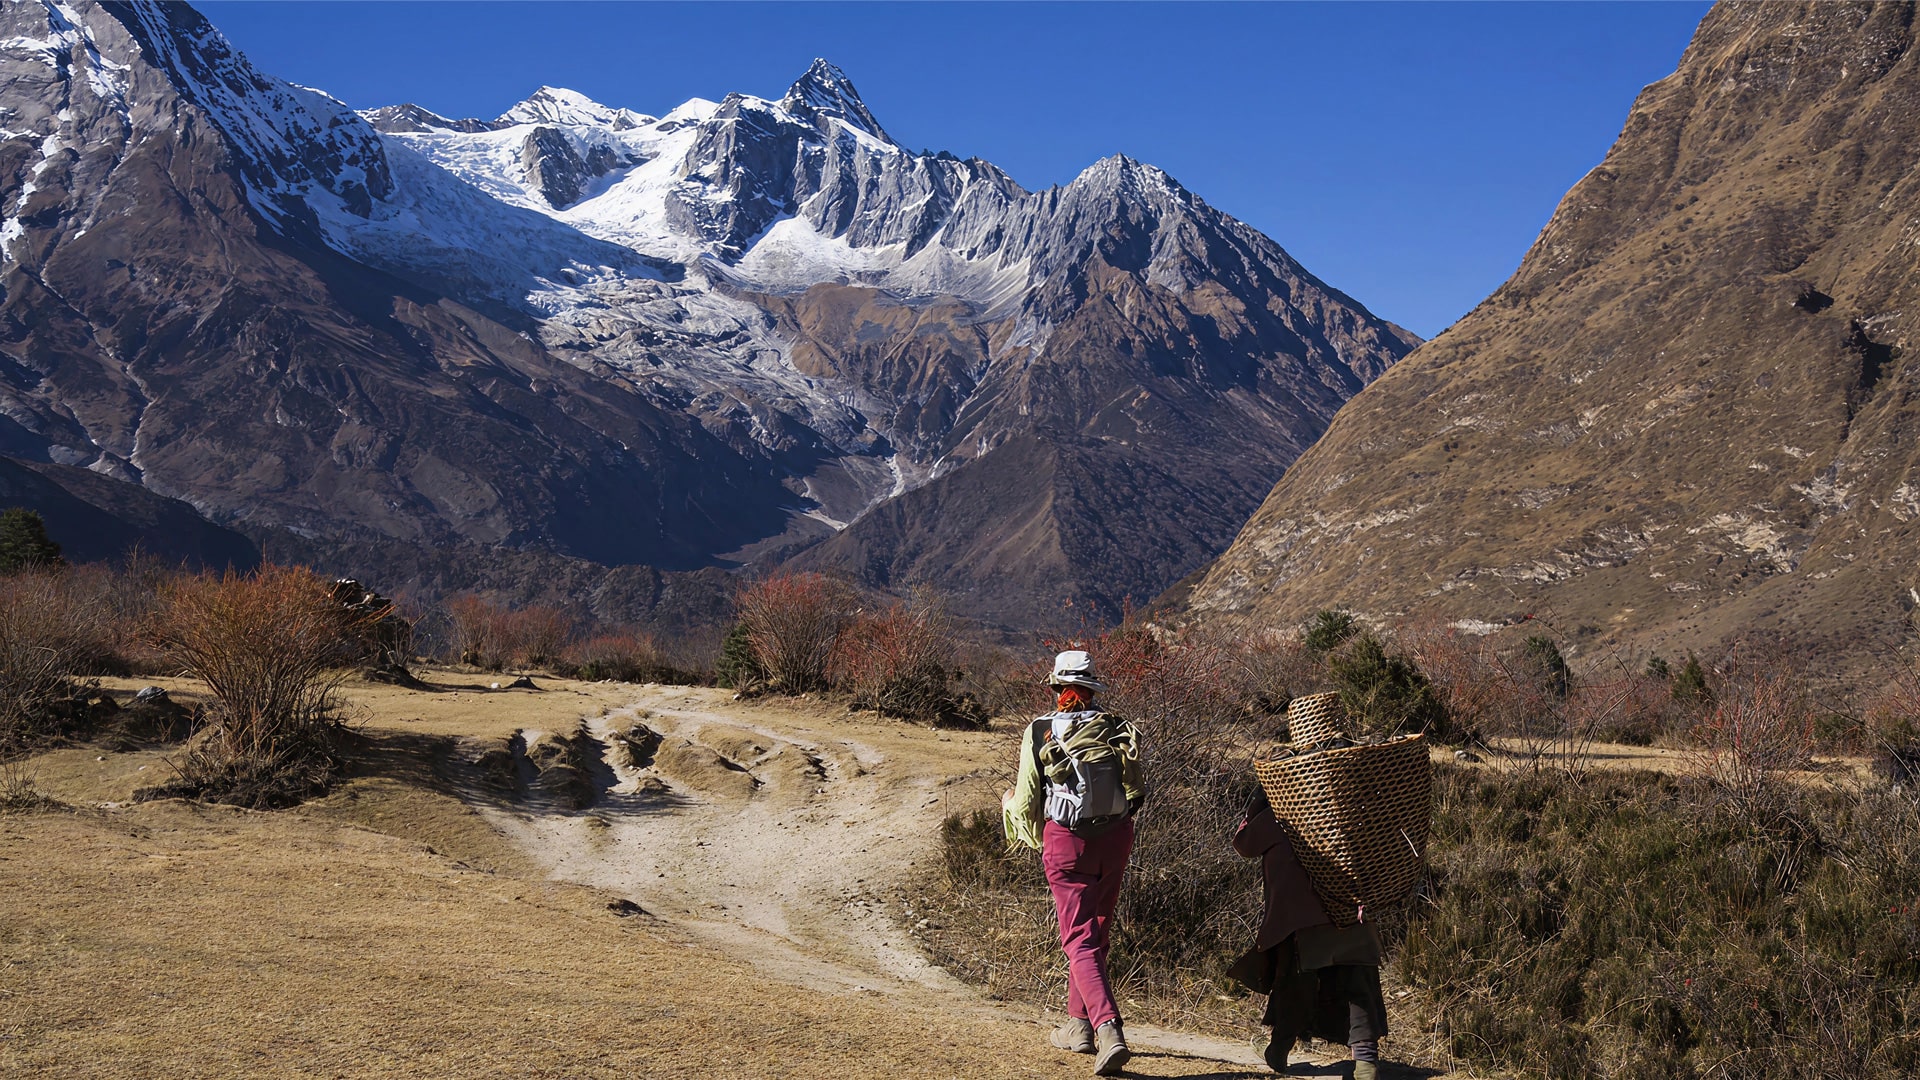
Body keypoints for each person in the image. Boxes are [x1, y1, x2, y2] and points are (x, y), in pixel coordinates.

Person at [1002, 650, 1145, 1077]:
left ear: (1057, 688)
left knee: (1079, 939)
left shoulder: (1040, 730)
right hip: (1116, 837)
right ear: (1093, 688)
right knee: (1096, 931)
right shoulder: (1117, 726)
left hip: (1067, 842)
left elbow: (1026, 800)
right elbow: (1134, 788)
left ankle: (1108, 1029)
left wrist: (1017, 819)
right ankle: (1078, 1025)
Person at [1230, 783, 1389, 1078]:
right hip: (1350, 912)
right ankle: (1366, 1063)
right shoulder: (1352, 811)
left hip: (1299, 920)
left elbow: (1244, 844)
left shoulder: (1281, 815)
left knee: (1295, 985)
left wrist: (1258, 803)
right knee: (1359, 985)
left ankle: (1278, 1049)